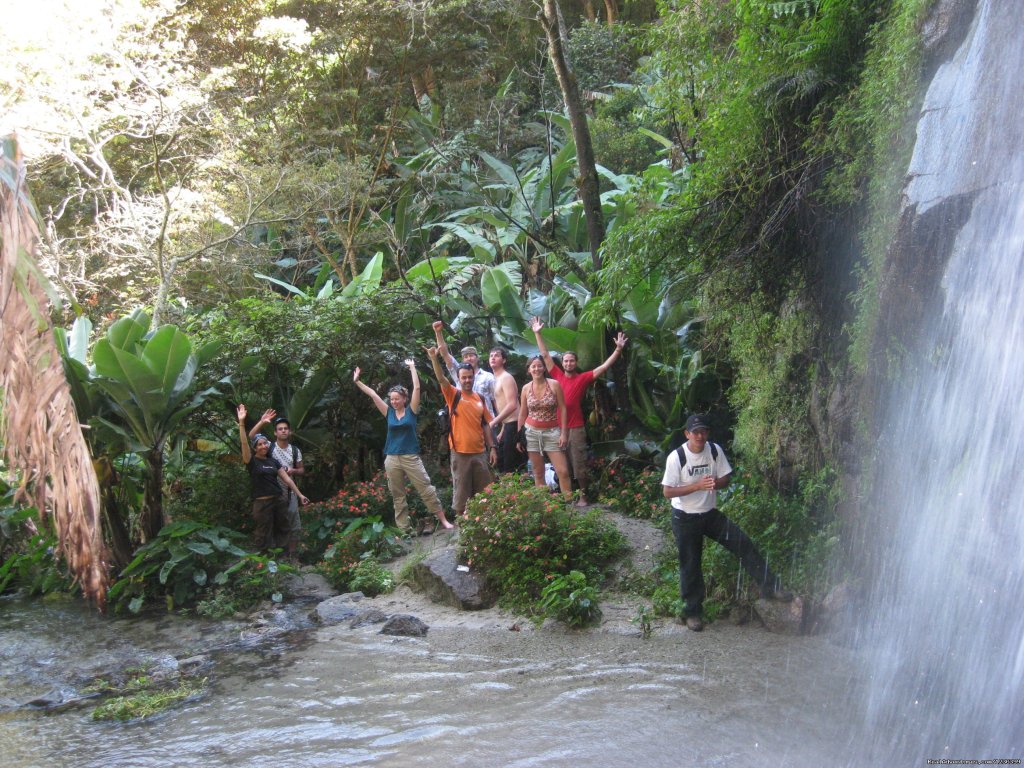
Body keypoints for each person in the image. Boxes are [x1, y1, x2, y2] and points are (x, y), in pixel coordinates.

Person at [662, 414, 791, 632]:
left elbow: (726, 478)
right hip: (684, 517)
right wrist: (697, 486)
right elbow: (667, 492)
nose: (700, 436)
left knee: (743, 543)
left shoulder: (714, 450)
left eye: (704, 431)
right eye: (696, 432)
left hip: (709, 514)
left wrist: (715, 483)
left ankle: (771, 586)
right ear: (687, 434)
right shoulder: (677, 457)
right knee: (691, 564)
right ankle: (692, 613)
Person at [530, 317, 628, 506]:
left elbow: (604, 367)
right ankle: (567, 495)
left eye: (571, 360)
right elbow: (545, 355)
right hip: (555, 428)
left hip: (575, 427)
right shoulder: (557, 375)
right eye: (565, 361)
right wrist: (537, 332)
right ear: (563, 363)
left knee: (579, 464)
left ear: (576, 362)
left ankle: (583, 496)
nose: (568, 363)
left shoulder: (583, 378)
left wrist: (618, 349)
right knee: (562, 465)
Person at [353, 359, 453, 535]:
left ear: (404, 399)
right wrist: (357, 381)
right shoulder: (388, 412)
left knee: (426, 488)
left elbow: (417, 388)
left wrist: (413, 367)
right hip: (391, 458)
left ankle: (443, 520)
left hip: (410, 456)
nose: (394, 402)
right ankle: (404, 530)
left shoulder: (411, 411)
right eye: (391, 399)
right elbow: (373, 395)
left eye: (397, 399)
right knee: (397, 496)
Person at [426, 345, 497, 518]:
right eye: (463, 378)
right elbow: (441, 378)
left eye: (470, 377)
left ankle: (483, 529)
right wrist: (434, 358)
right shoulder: (453, 395)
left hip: (480, 453)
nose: (467, 380)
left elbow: (486, 424)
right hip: (460, 453)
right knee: (461, 497)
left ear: (474, 378)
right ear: (459, 379)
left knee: (485, 495)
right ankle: (463, 533)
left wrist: (492, 447)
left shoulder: (479, 398)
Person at [237, 404, 309, 555]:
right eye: (260, 444)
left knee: (285, 527)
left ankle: (286, 557)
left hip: (282, 497)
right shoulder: (257, 458)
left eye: (286, 428)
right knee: (264, 530)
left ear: (290, 431)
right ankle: (265, 561)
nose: (263, 446)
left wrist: (300, 494)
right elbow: (248, 439)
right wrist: (250, 422)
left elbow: (289, 479)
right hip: (263, 501)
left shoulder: (280, 458)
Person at [516, 355, 572, 497]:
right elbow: (522, 413)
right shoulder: (525, 388)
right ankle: (546, 508)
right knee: (538, 472)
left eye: (539, 365)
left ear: (544, 367)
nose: (536, 369)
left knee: (563, 471)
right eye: (533, 366)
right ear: (529, 369)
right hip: (531, 433)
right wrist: (519, 437)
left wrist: (564, 433)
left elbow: (563, 408)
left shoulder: (554, 384)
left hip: (552, 432)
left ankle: (570, 509)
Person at [432, 320, 497, 415]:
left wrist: (501, 422)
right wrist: (438, 333)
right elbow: (445, 354)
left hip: (487, 422)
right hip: (465, 420)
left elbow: (495, 400)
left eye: (471, 355)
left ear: (477, 358)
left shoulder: (488, 376)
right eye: (466, 357)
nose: (469, 358)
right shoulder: (459, 374)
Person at [486, 347, 524, 473]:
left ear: (504, 360)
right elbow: (502, 406)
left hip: (514, 426)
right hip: (507, 426)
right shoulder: (495, 379)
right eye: (491, 355)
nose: (493, 357)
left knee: (511, 466)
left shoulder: (506, 378)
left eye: (496, 355)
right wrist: (502, 429)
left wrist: (493, 422)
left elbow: (512, 405)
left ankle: (517, 492)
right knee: (502, 464)